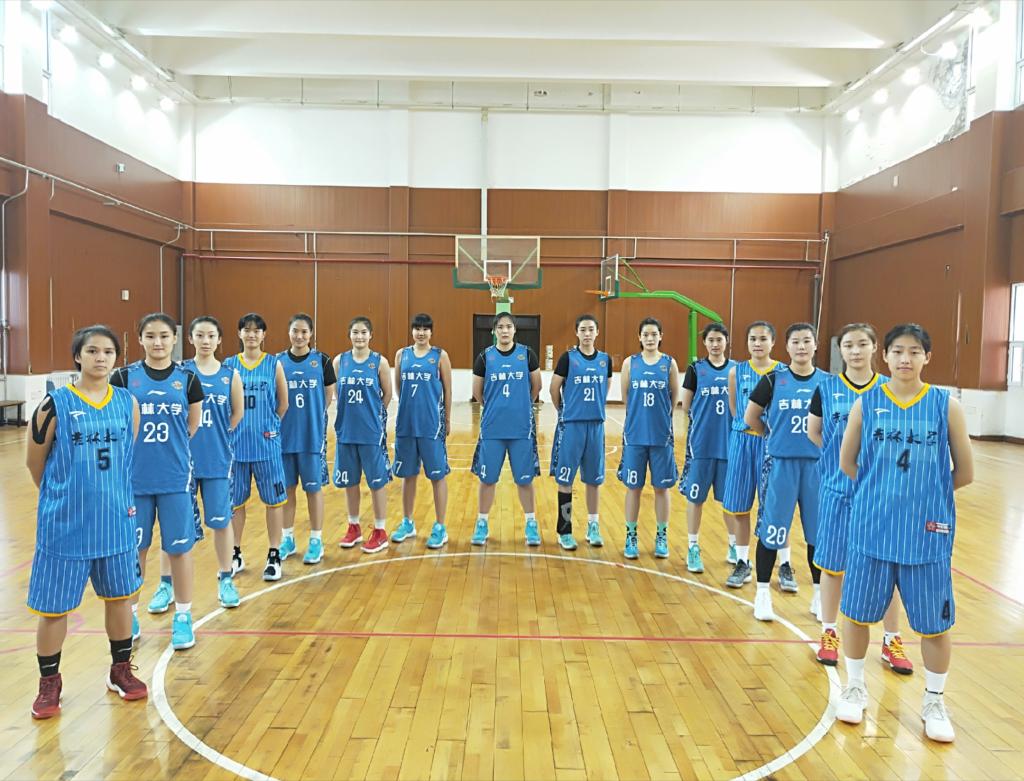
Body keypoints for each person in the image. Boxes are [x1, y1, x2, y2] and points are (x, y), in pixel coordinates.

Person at [836, 324, 973, 743]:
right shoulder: (867, 403)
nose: (905, 359)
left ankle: (934, 701)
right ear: (886, 356)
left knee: (934, 625)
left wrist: (925, 497)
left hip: (927, 534)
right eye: (897, 351)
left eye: (914, 351)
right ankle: (855, 687)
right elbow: (847, 462)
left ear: (927, 357)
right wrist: (882, 495)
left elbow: (965, 472)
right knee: (856, 614)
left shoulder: (945, 406)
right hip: (872, 529)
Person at [27, 325, 148, 719]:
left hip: (115, 520)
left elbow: (127, 454)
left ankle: (120, 670)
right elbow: (34, 461)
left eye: (108, 352)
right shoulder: (54, 404)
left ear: (116, 358)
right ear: (77, 356)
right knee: (53, 609)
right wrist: (63, 498)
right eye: (92, 351)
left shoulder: (127, 402)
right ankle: (49, 682)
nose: (101, 358)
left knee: (120, 599)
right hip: (65, 526)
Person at [807, 323, 913, 673]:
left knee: (887, 569)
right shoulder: (826, 387)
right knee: (832, 567)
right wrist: (842, 461)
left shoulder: (889, 388)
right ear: (841, 350)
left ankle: (891, 639)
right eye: (848, 345)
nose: (855, 351)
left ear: (874, 348)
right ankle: (829, 632)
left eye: (862, 344)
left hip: (881, 496)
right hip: (837, 491)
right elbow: (814, 431)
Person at [110, 313, 203, 650]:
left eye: (164, 335)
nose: (158, 342)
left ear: (174, 339)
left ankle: (183, 616)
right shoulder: (123, 378)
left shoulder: (188, 379)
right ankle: (131, 614)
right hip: (134, 480)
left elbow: (192, 426)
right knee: (135, 550)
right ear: (140, 339)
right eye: (150, 336)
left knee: (179, 550)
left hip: (175, 478)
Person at [743, 322, 827, 621]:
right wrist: (773, 435)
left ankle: (820, 595)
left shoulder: (827, 383)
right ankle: (762, 593)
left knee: (817, 533)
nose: (801, 347)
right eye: (795, 341)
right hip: (781, 465)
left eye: (806, 341)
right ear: (787, 346)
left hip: (816, 467)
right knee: (772, 531)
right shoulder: (772, 380)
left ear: (815, 345)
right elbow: (751, 417)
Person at [223, 313, 290, 581]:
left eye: (256, 330)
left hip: (266, 446)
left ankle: (274, 554)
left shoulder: (273, 364)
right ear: (239, 334)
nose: (251, 334)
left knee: (274, 502)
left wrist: (269, 427)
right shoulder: (229, 365)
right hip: (236, 448)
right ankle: (235, 553)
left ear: (263, 335)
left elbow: (283, 404)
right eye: (246, 330)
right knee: (235, 503)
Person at [470, 312, 542, 546]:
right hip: (493, 429)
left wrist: (521, 406)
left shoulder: (527, 355)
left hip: (521, 429)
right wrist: (496, 408)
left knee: (525, 480)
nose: (504, 330)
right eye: (500, 327)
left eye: (508, 326)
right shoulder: (485, 357)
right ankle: (482, 522)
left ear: (514, 330)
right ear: (494, 331)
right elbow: (477, 392)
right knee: (487, 479)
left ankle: (531, 523)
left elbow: (536, 386)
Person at [722, 322, 784, 589]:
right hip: (743, 440)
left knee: (775, 505)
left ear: (773, 342)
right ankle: (742, 561)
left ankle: (785, 563)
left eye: (763, 339)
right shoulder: (736, 371)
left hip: (772, 444)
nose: (757, 343)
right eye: (752, 339)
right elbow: (735, 409)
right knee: (739, 505)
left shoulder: (783, 372)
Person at [618, 317, 681, 559]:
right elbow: (625, 397)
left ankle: (661, 535)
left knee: (661, 488)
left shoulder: (669, 363)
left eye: (654, 334)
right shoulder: (630, 363)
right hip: (635, 435)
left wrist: (661, 418)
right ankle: (631, 535)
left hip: (661, 436)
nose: (650, 338)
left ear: (661, 336)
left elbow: (674, 397)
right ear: (639, 337)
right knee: (633, 488)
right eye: (646, 334)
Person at [549, 314, 613, 549]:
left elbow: (605, 387)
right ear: (577, 332)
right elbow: (554, 388)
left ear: (597, 332)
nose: (587, 334)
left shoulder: (605, 360)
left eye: (591, 329)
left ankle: (593, 526)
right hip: (572, 425)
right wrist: (564, 411)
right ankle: (564, 529)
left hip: (595, 425)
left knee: (594, 480)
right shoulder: (568, 358)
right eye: (583, 330)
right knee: (566, 478)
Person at [390, 313, 453, 549]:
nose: (421, 332)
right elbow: (399, 388)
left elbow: (447, 390)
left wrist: (447, 419)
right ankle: (408, 522)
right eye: (417, 328)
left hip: (431, 425)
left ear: (431, 332)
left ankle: (440, 526)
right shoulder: (402, 355)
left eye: (425, 329)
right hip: (406, 424)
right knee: (408, 475)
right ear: (412, 331)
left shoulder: (440, 356)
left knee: (437, 476)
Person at [279, 314, 337, 565]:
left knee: (313, 489)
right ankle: (287, 538)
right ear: (289, 332)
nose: (299, 336)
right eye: (295, 331)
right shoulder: (278, 362)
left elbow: (327, 396)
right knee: (287, 490)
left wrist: (314, 418)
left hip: (311, 438)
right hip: (284, 438)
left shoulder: (322, 361)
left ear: (311, 334)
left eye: (304, 331)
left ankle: (316, 540)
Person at [678, 323, 735, 573]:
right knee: (695, 498)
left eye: (719, 339)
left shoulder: (736, 370)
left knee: (730, 501)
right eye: (710, 340)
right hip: (701, 446)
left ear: (726, 341)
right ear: (704, 343)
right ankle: (693, 546)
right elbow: (686, 406)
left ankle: (734, 546)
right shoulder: (695, 369)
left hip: (729, 445)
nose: (715, 344)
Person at [334, 316, 393, 553]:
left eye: (363, 332)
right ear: (349, 335)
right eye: (355, 332)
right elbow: (337, 393)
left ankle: (380, 530)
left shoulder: (379, 362)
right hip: (346, 431)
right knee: (350, 482)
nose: (359, 336)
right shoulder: (340, 361)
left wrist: (373, 417)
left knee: (377, 482)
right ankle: (354, 527)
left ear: (371, 335)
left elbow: (387, 395)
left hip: (370, 433)